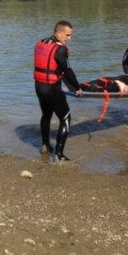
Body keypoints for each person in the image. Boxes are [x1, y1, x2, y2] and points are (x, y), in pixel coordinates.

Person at [34, 20, 82, 162]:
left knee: (46, 115)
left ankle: (45, 145)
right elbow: (68, 71)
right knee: (65, 118)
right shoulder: (60, 50)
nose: (69, 38)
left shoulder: (41, 42)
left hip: (39, 86)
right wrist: (78, 88)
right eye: (67, 35)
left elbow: (54, 68)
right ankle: (59, 155)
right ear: (58, 33)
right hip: (51, 88)